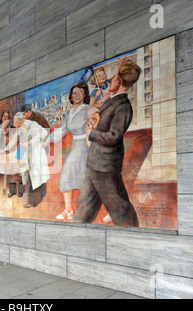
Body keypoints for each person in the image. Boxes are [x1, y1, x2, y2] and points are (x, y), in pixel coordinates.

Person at [73, 58, 142, 227]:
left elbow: (114, 136)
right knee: (84, 209)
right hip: (96, 164)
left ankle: (134, 238)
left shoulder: (123, 106)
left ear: (119, 81)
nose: (109, 80)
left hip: (105, 167)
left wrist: (91, 134)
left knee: (120, 209)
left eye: (114, 77)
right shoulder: (113, 101)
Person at [50, 82, 91, 221]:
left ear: (84, 94)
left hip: (86, 145)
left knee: (83, 178)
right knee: (67, 176)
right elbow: (61, 130)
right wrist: (45, 139)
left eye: (80, 92)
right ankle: (69, 210)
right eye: (74, 93)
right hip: (76, 146)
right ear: (71, 97)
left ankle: (84, 211)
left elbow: (96, 121)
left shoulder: (87, 109)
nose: (77, 95)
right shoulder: (70, 112)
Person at [4, 112, 49, 208]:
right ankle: (33, 197)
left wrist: (29, 142)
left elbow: (44, 132)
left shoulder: (31, 125)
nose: (15, 125)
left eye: (16, 123)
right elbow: (14, 140)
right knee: (28, 176)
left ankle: (33, 201)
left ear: (21, 121)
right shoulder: (19, 128)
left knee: (35, 178)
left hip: (35, 154)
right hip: (26, 154)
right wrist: (5, 149)